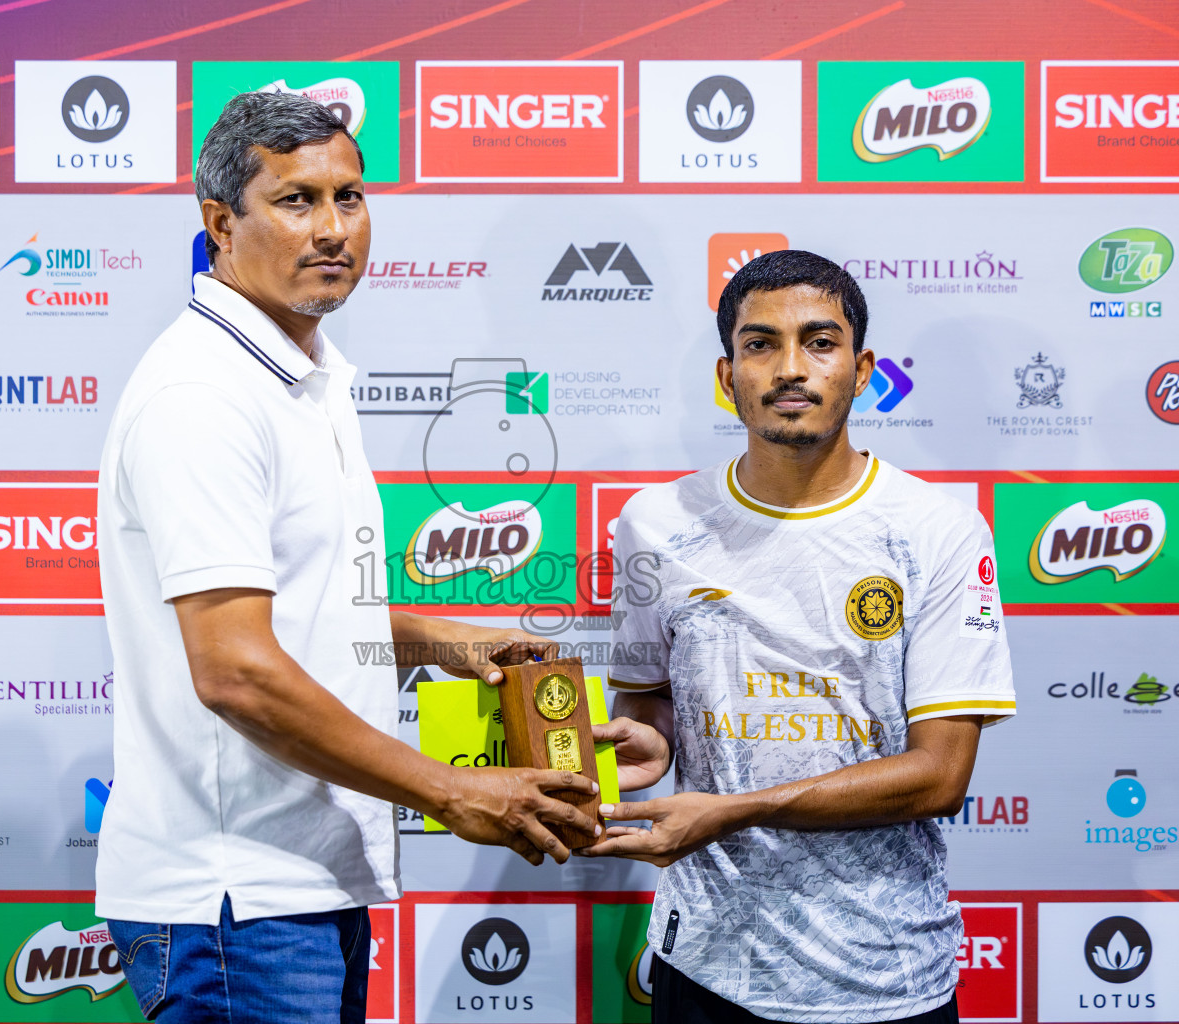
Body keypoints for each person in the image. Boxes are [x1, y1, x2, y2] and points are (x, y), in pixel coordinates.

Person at [94, 91, 596, 1024]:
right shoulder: (203, 396)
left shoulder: (299, 377)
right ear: (220, 225)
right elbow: (238, 672)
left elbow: (307, 616)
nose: (333, 230)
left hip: (301, 885)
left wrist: (457, 647)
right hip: (236, 902)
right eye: (296, 201)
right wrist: (447, 791)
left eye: (350, 197)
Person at [581, 250, 1016, 1024]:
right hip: (707, 967)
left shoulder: (939, 530)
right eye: (760, 344)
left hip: (886, 973)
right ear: (727, 376)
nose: (791, 367)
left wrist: (733, 808)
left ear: (862, 368)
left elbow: (940, 776)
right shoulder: (655, 524)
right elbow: (648, 707)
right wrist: (645, 747)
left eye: (820, 341)